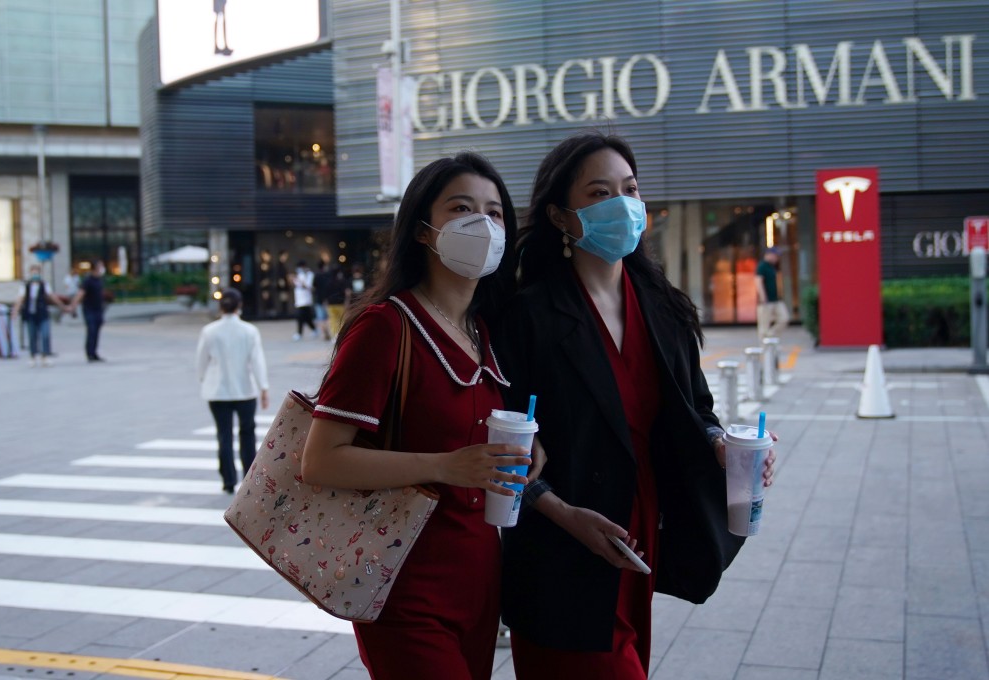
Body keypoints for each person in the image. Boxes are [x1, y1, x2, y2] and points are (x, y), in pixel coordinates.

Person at [494, 132, 776, 679]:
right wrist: (560, 513)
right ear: (559, 215)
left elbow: (697, 412)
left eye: (630, 189)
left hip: (640, 533)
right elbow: (503, 442)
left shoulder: (662, 309)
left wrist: (725, 448)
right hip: (561, 547)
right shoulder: (527, 316)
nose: (621, 205)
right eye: (600, 193)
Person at [301, 152, 537, 680]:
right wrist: (446, 465)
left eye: (495, 212)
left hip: (479, 577)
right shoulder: (387, 327)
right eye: (461, 208)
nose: (483, 224)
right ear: (424, 232)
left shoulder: (486, 332)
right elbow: (320, 460)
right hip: (401, 581)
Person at [195, 288, 269, 494]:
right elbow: (257, 361)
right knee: (247, 434)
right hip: (245, 389)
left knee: (224, 435)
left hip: (217, 391)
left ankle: (228, 480)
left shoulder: (209, 330)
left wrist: (203, 380)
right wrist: (264, 387)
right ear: (240, 305)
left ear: (220, 307)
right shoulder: (249, 330)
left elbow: (201, 362)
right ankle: (248, 477)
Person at [12, 264, 69, 367]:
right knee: (32, 335)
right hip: (30, 314)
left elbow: (52, 296)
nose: (35, 274)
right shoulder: (26, 285)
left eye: (37, 271)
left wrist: (62, 306)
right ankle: (33, 356)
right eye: (33, 271)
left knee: (45, 334)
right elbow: (20, 299)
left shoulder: (44, 284)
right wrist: (15, 311)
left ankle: (45, 356)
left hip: (42, 313)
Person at [69, 261, 107, 362]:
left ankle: (94, 352)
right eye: (100, 266)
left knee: (96, 332)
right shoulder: (88, 280)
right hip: (89, 310)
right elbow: (81, 294)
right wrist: (73, 306)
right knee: (91, 330)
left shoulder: (99, 280)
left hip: (98, 309)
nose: (102, 269)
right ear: (95, 268)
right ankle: (89, 353)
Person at [755, 246, 790, 341]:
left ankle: (771, 335)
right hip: (766, 301)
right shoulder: (762, 266)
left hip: (776, 299)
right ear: (770, 255)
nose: (777, 258)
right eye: (776, 256)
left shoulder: (773, 267)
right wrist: (763, 297)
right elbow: (758, 282)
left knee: (784, 318)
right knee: (763, 327)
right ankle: (765, 352)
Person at [323, 266, 351, 340]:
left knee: (333, 320)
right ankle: (342, 335)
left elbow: (325, 294)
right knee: (341, 320)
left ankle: (334, 335)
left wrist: (325, 304)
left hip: (331, 304)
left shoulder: (327, 282)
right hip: (340, 303)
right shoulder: (342, 281)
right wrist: (347, 302)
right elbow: (347, 293)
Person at [291, 260, 316, 340]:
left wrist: (301, 281)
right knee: (306, 317)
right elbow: (296, 285)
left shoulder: (309, 274)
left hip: (306, 300)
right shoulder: (299, 274)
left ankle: (299, 333)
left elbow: (308, 286)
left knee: (300, 317)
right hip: (299, 300)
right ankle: (314, 329)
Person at [312, 261, 331, 340]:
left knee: (320, 318)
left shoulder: (316, 275)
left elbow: (313, 287)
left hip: (318, 299)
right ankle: (328, 333)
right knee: (327, 317)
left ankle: (324, 334)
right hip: (327, 299)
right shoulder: (327, 275)